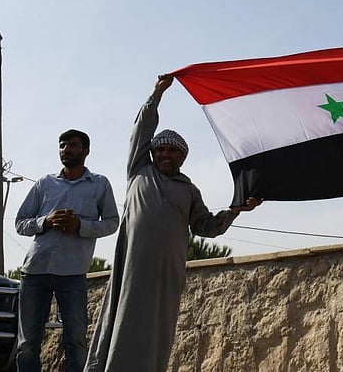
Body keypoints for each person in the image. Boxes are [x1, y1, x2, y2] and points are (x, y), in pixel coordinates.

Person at [84, 75, 261, 372]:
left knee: (157, 329)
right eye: (161, 150)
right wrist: (157, 94)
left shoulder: (188, 189)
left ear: (182, 157)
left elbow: (206, 226)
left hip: (166, 273)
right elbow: (142, 129)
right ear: (152, 153)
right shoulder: (139, 170)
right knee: (122, 319)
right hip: (133, 267)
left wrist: (236, 210)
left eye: (172, 151)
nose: (165, 154)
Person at [14, 129, 119, 372]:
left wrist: (80, 225)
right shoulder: (44, 183)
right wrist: (45, 221)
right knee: (28, 343)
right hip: (35, 271)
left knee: (76, 342)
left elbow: (112, 222)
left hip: (72, 273)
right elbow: (20, 223)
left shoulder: (99, 184)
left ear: (86, 151)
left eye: (72, 145)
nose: (66, 150)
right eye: (62, 146)